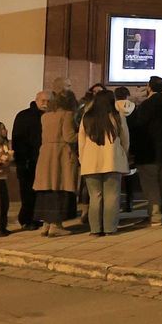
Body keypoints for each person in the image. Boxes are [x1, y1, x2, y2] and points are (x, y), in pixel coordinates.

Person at [78, 90, 130, 236]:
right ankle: (110, 228)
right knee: (112, 195)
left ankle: (95, 229)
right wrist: (123, 155)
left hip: (90, 161)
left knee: (95, 196)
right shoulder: (117, 116)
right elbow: (125, 139)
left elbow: (81, 141)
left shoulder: (87, 117)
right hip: (112, 160)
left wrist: (83, 159)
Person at [128, 75, 162, 227]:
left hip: (147, 152)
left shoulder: (144, 106)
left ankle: (155, 215)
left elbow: (138, 129)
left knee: (151, 185)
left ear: (149, 87)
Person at [32, 89, 79, 236]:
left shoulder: (45, 116)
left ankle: (46, 224)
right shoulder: (67, 115)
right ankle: (56, 225)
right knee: (59, 187)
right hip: (60, 155)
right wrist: (83, 133)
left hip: (45, 154)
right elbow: (69, 136)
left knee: (47, 189)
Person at [11, 92, 46, 230]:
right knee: (27, 192)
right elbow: (18, 139)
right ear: (36, 100)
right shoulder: (24, 116)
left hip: (40, 159)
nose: (46, 104)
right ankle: (25, 219)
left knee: (37, 192)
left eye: (48, 101)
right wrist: (21, 159)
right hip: (27, 160)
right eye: (43, 100)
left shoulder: (46, 116)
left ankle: (35, 217)